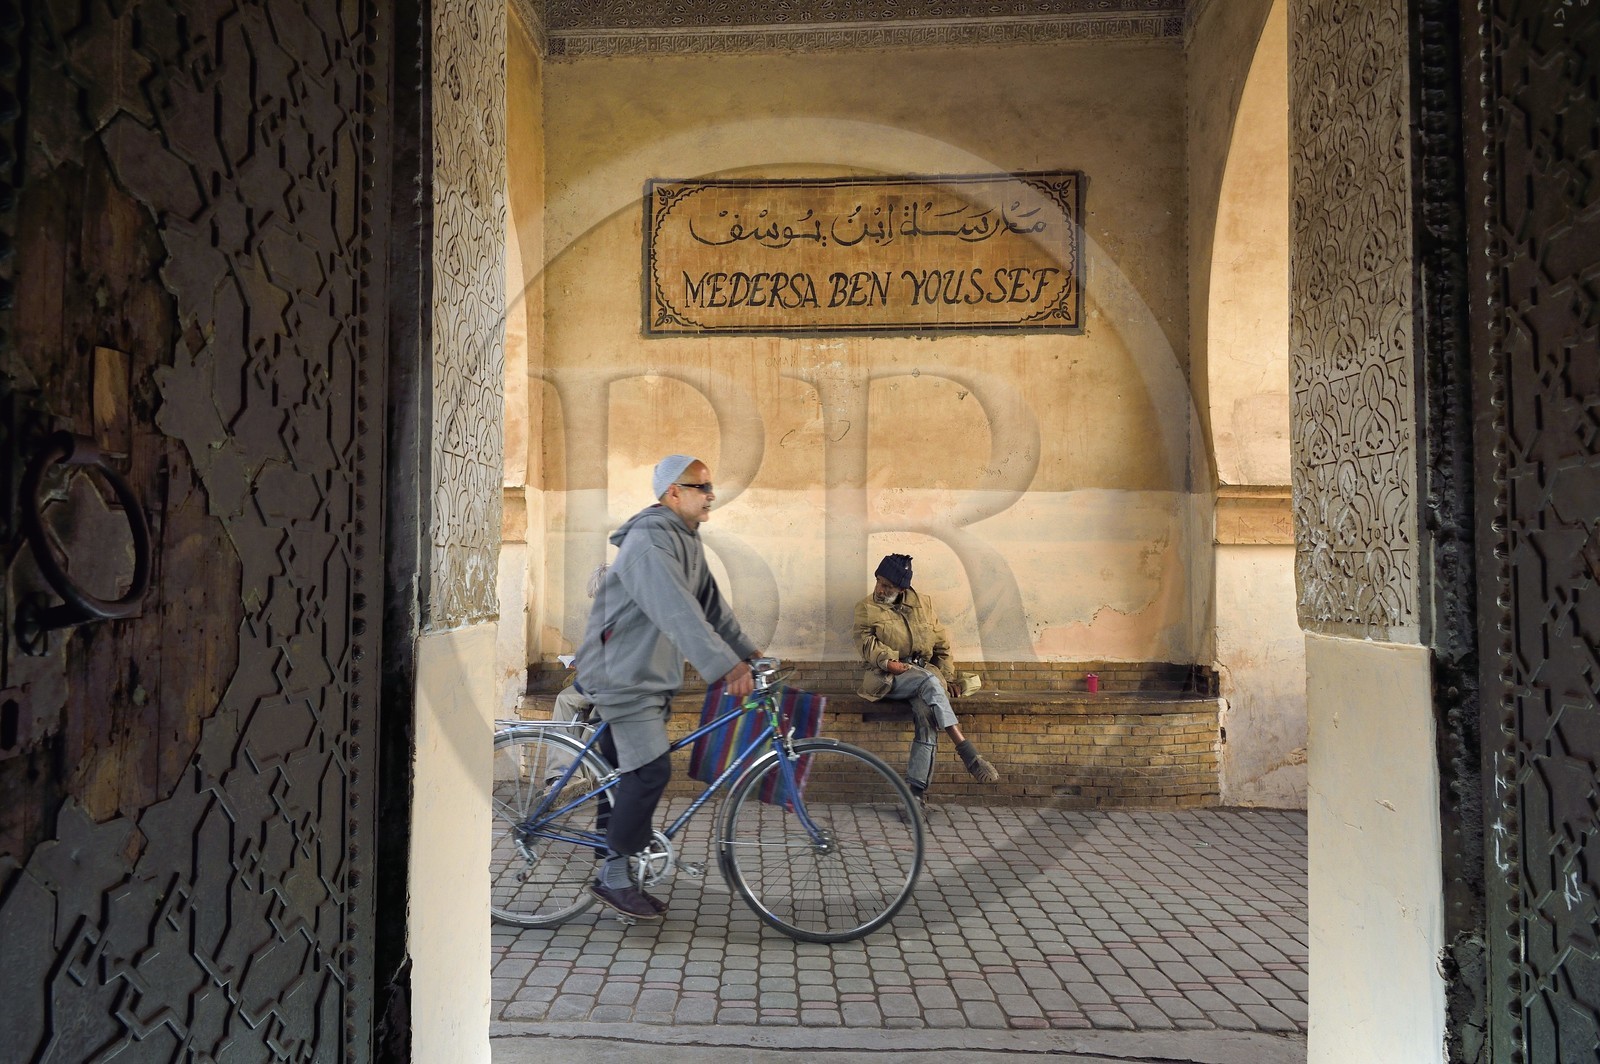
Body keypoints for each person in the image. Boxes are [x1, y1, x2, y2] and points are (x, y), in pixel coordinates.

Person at [572, 454, 762, 921]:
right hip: (622, 675)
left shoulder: (685, 539)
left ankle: (614, 860)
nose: (711, 495)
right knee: (650, 771)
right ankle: (614, 879)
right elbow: (677, 611)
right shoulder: (650, 540)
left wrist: (748, 653)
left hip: (644, 673)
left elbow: (711, 609)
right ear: (674, 492)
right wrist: (726, 668)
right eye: (702, 487)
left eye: (711, 486)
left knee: (620, 775)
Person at [854, 553, 1000, 812]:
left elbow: (942, 646)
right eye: (878, 581)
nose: (880, 589)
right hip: (888, 677)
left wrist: (949, 677)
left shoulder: (924, 605)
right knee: (930, 682)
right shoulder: (866, 608)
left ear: (902, 589)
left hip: (924, 676)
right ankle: (966, 751)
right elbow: (867, 645)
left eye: (888, 586)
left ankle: (915, 796)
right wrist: (888, 662)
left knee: (927, 716)